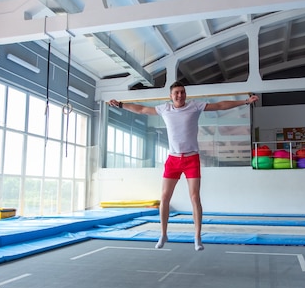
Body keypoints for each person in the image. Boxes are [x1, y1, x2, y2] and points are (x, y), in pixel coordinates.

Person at [108, 81, 259, 251]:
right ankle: (163, 234)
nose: (180, 95)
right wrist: (121, 105)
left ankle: (197, 236)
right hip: (173, 160)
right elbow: (142, 109)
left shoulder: (195, 106)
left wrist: (245, 102)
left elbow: (220, 105)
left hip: (191, 159)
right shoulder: (165, 109)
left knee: (195, 197)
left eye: (182, 92)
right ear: (171, 96)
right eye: (176, 93)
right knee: (164, 198)